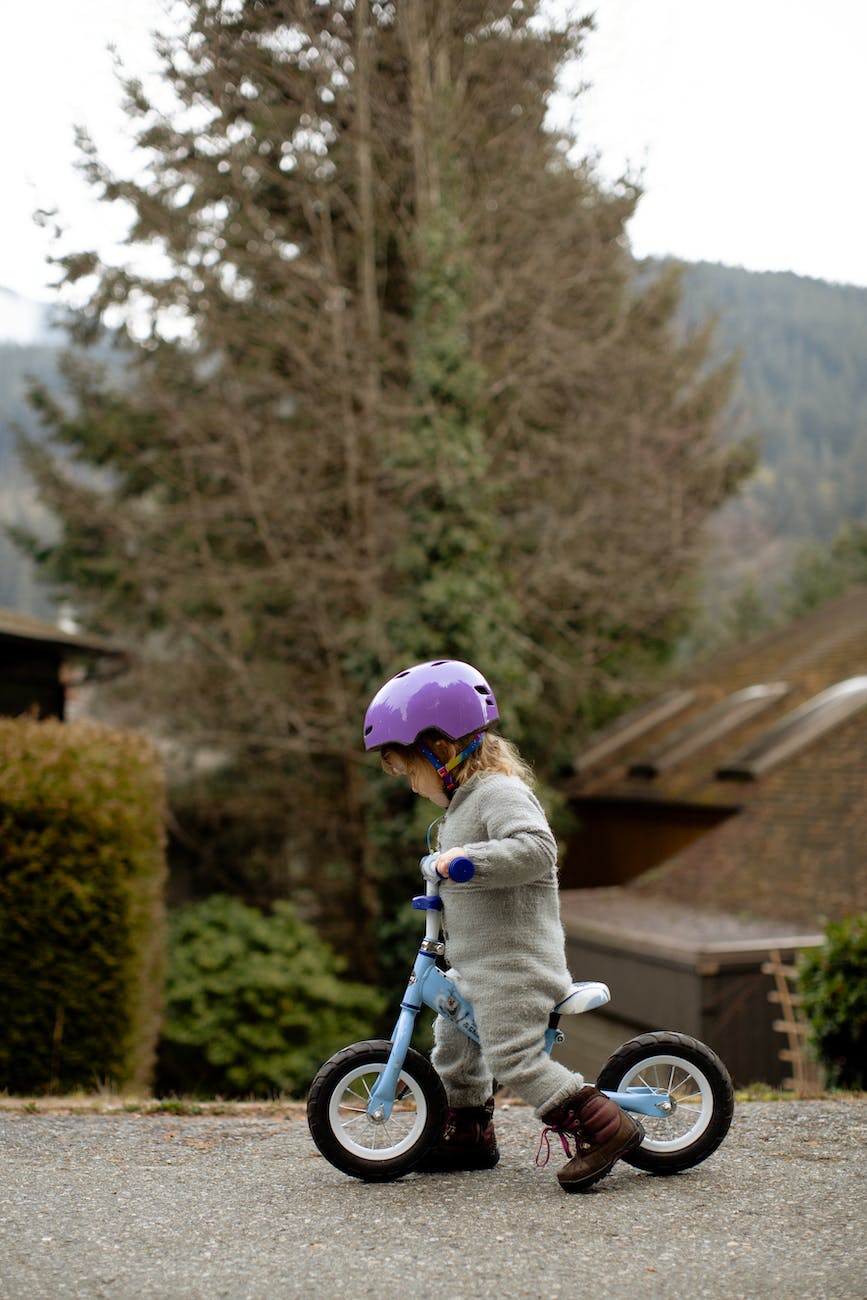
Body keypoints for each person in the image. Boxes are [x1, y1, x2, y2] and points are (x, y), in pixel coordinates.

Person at [363, 658, 643, 1192]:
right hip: (480, 963)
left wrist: (467, 861)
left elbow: (537, 850)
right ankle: (467, 1133)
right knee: (452, 1040)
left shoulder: (498, 793)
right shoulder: (462, 806)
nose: (412, 786)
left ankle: (603, 1127)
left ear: (440, 750)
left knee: (511, 1055)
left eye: (410, 771)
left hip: (516, 964)